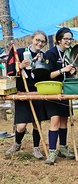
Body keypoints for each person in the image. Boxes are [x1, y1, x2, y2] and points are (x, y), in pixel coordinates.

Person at [5, 30, 49, 159]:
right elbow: (10, 71)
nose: (39, 43)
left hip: (37, 92)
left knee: (37, 123)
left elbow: (46, 75)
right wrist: (20, 66)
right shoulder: (20, 53)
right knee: (21, 126)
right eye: (37, 40)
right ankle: (17, 143)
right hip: (22, 92)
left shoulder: (44, 56)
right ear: (32, 39)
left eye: (42, 42)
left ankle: (36, 148)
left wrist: (41, 66)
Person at [44, 27, 76, 165]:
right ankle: (52, 151)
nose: (68, 41)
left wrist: (71, 72)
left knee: (64, 120)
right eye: (66, 39)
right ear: (58, 40)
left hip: (65, 91)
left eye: (70, 38)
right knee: (55, 120)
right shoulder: (50, 54)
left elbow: (68, 74)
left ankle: (63, 147)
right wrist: (63, 69)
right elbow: (47, 75)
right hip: (52, 91)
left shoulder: (69, 53)